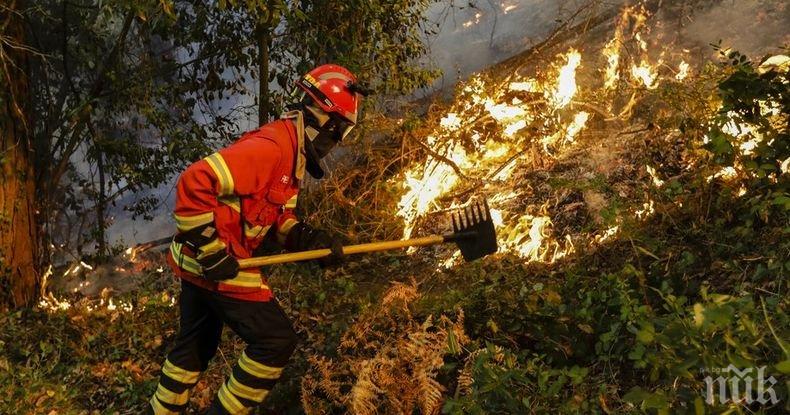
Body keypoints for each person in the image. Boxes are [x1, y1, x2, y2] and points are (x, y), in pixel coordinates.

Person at [147, 64, 365, 414]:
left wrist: (310, 240)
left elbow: (279, 218)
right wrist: (211, 250)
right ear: (324, 120)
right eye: (339, 131)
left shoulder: (292, 153)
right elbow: (194, 180)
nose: (337, 142)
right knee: (275, 341)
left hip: (196, 260)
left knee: (195, 346)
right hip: (216, 261)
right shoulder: (273, 148)